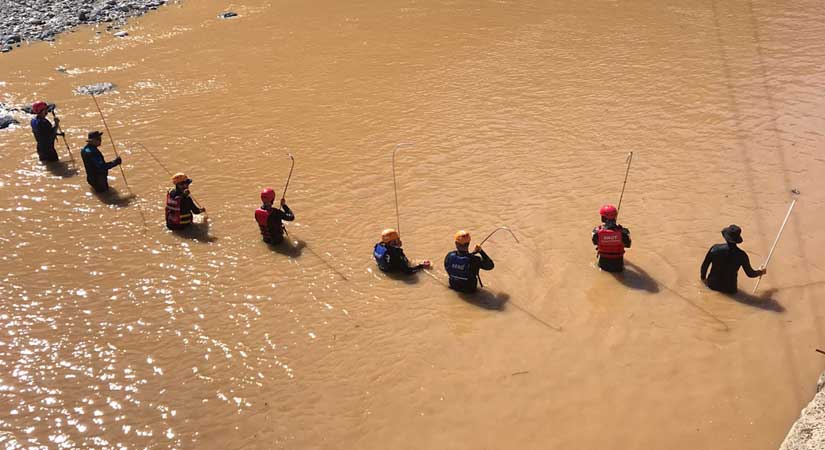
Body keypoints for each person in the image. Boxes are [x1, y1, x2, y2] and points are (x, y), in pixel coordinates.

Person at [700, 224, 766, 294]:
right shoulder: (742, 255)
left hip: (712, 285)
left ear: (726, 237)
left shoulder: (714, 249)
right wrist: (760, 272)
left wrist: (703, 279)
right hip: (730, 289)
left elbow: (704, 266)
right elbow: (750, 274)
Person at [592, 204, 631, 272]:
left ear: (603, 218)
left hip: (603, 264)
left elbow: (595, 243)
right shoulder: (624, 232)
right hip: (619, 265)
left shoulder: (596, 232)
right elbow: (628, 245)